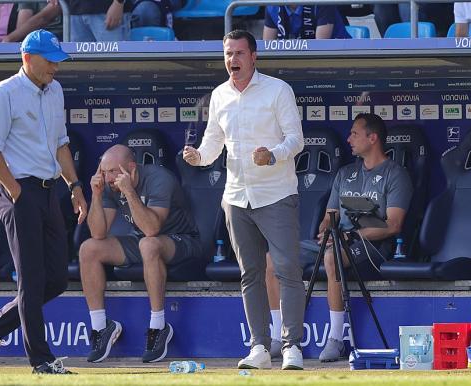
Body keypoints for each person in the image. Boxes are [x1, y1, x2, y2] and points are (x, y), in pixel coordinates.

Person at [0, 29, 87, 375]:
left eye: (57, 61)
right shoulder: (3, 93)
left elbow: (62, 144)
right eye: (50, 61)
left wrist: (75, 187)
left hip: (50, 191)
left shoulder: (55, 90)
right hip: (16, 190)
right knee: (31, 280)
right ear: (28, 58)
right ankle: (41, 361)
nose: (55, 68)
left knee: (57, 280)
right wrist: (15, 191)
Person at [183, 30, 306, 370]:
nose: (232, 60)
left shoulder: (278, 90)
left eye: (238, 53)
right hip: (236, 197)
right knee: (250, 274)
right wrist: (198, 157)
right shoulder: (219, 95)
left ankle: (293, 345)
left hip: (277, 194)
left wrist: (273, 155)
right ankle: (260, 348)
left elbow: (297, 140)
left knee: (286, 271)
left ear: (254, 56)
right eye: (227, 54)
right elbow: (212, 145)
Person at [79, 144, 201, 363]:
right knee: (89, 249)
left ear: (131, 168)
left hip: (181, 240)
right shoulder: (107, 184)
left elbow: (152, 229)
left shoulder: (159, 178)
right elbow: (98, 233)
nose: (107, 178)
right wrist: (96, 196)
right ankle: (100, 327)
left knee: (149, 244)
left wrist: (129, 191)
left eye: (113, 172)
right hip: (142, 239)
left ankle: (158, 325)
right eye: (103, 171)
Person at [316, 113, 412, 362]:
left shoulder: (395, 174)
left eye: (354, 134)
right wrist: (326, 232)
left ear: (373, 138)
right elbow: (329, 216)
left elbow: (393, 225)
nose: (348, 139)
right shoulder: (345, 173)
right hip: (338, 240)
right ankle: (276, 339)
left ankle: (336, 339)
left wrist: (350, 236)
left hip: (373, 246)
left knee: (331, 258)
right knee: (274, 259)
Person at [263, 5, 351, 40]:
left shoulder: (323, 3)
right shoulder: (272, 6)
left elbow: (321, 50)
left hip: (338, 57)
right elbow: (267, 47)